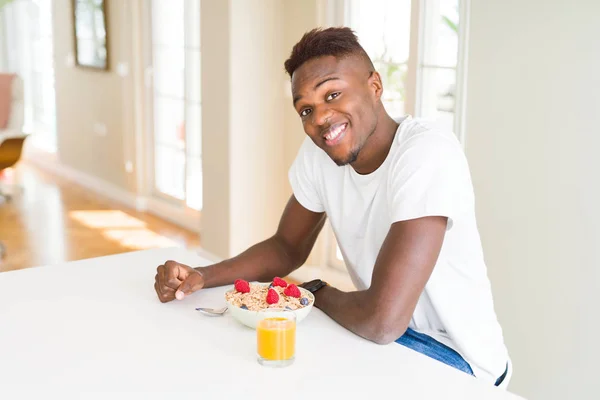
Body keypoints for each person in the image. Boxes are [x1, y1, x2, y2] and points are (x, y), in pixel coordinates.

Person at [154, 27, 509, 386]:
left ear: (374, 86)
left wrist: (316, 293)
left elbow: (382, 321)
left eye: (333, 94)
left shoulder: (425, 153)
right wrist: (202, 275)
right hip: (383, 339)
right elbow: (286, 246)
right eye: (306, 109)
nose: (320, 118)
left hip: (459, 358)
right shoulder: (320, 154)